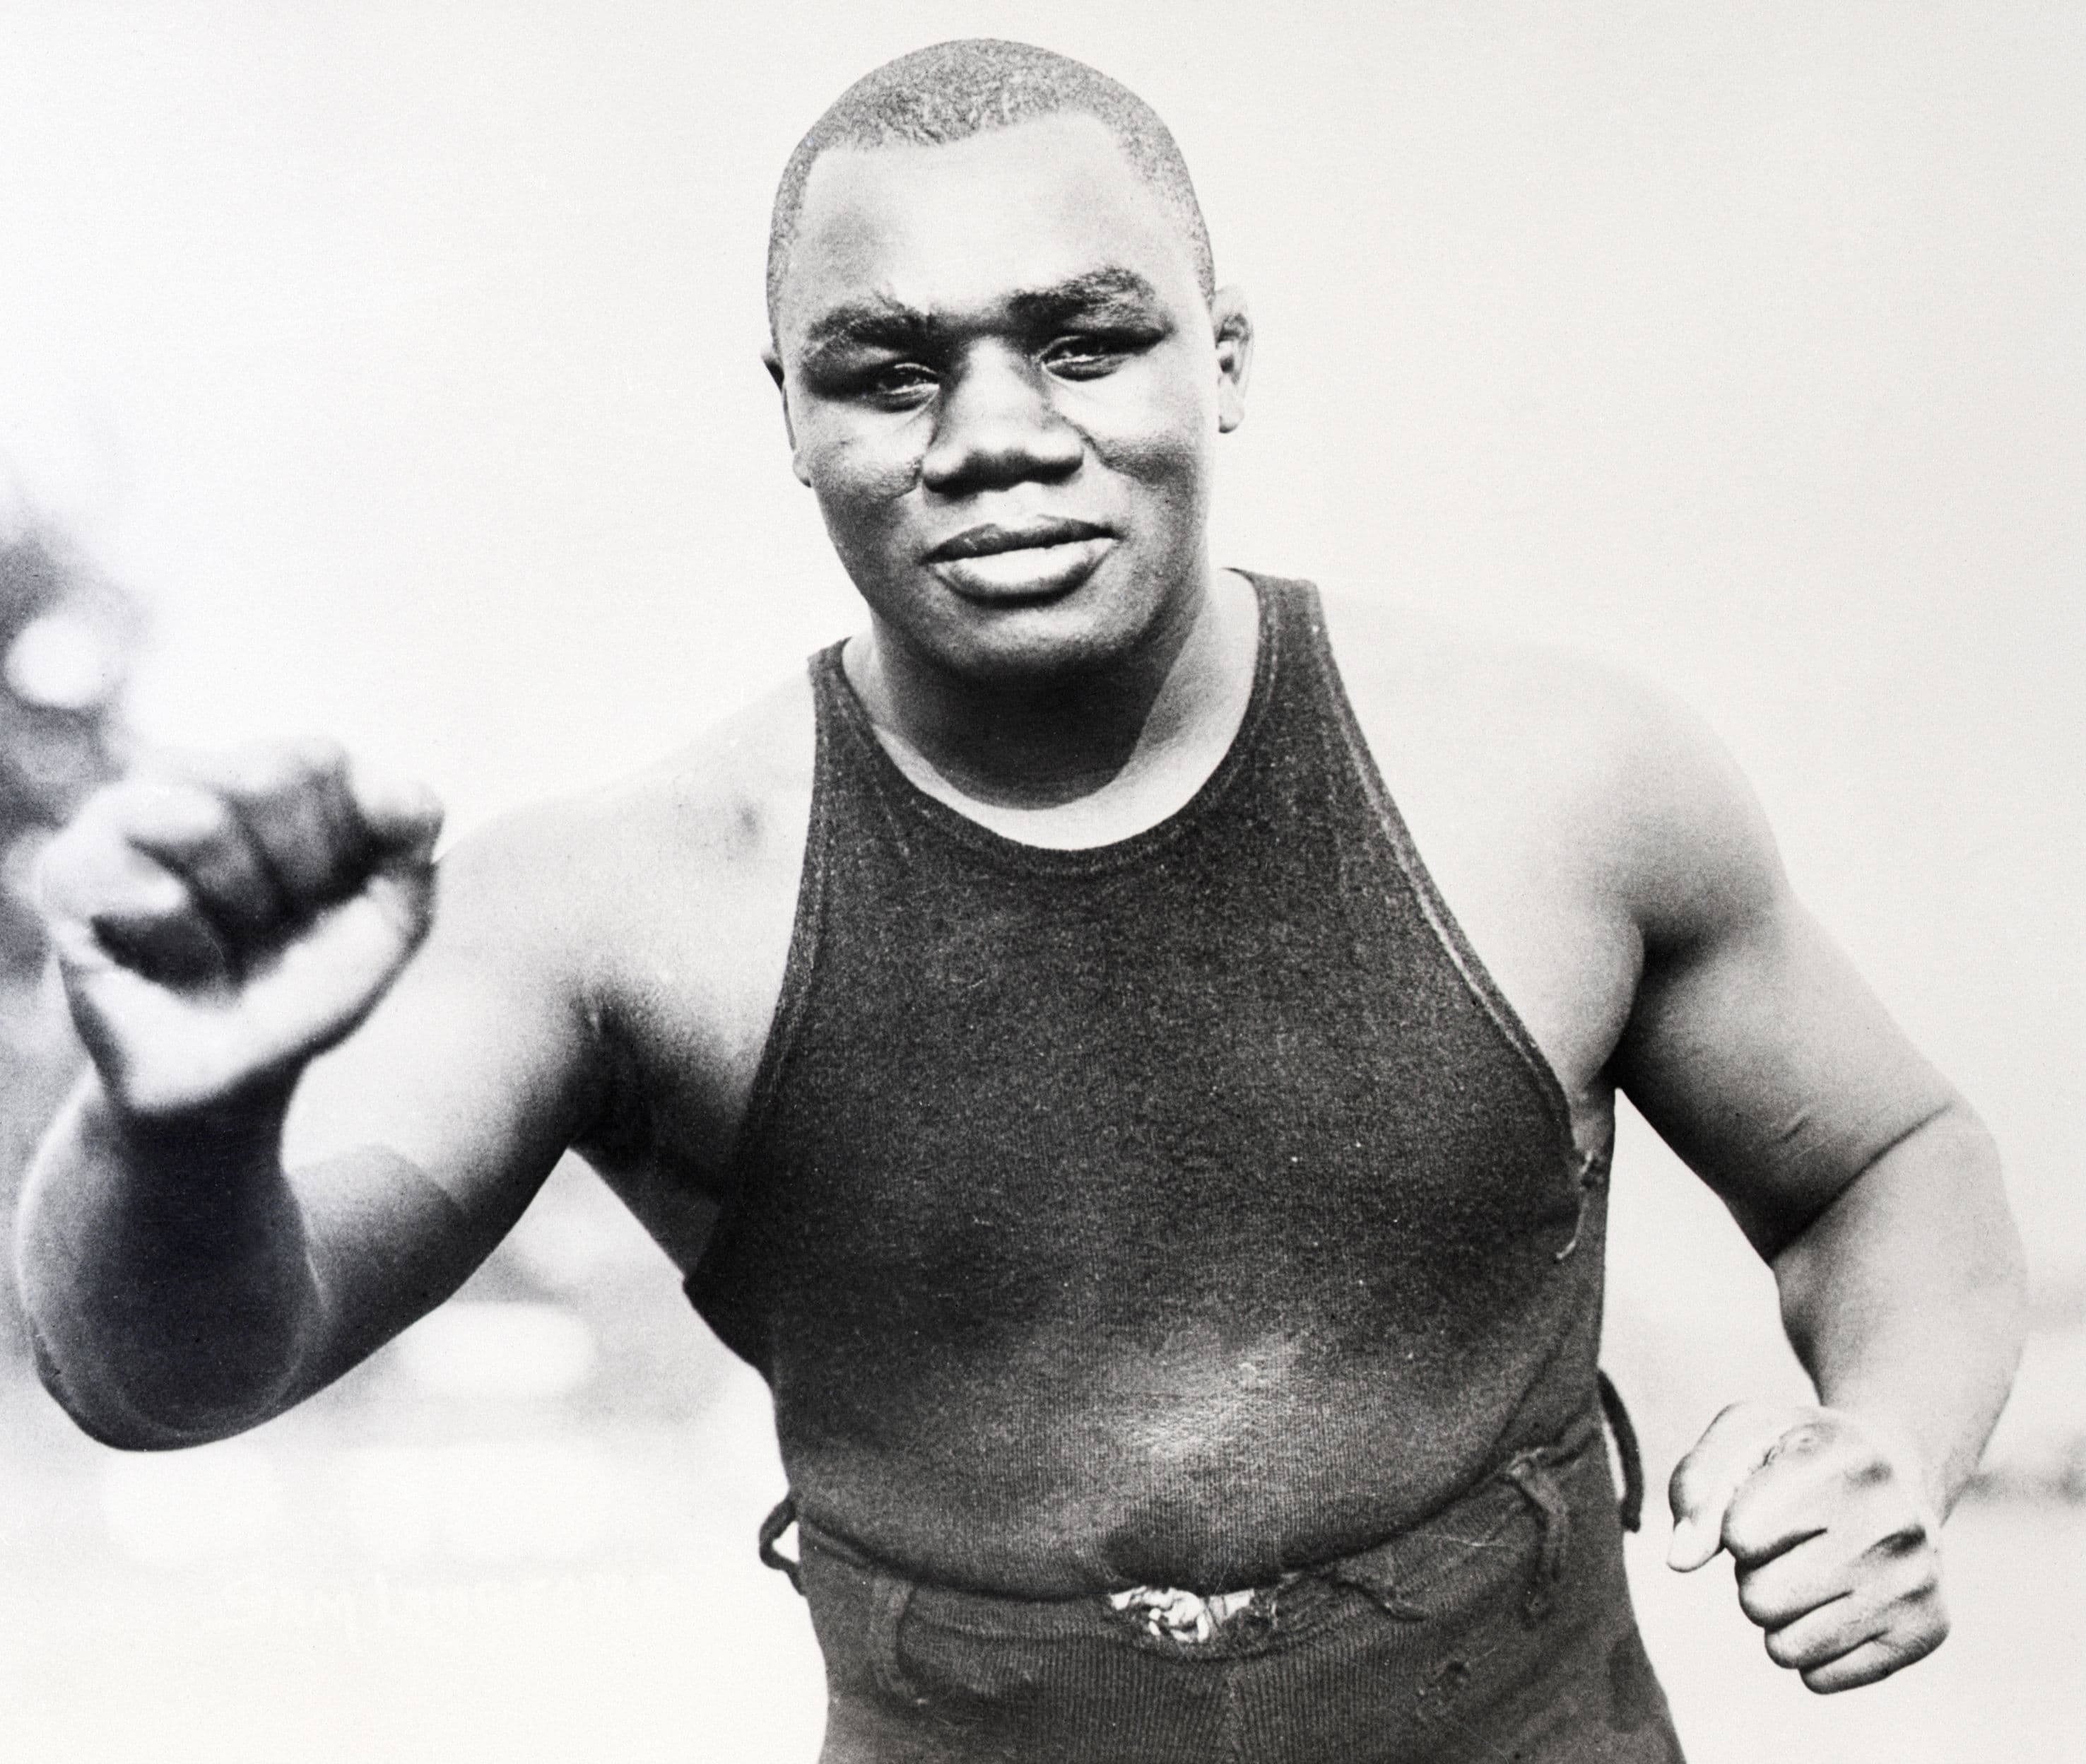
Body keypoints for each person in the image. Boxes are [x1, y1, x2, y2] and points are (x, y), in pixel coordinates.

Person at [13, 38, 2024, 1764]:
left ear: (1222, 360)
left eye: (1085, 338)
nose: (995, 439)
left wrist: (1895, 1444)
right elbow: (162, 1376)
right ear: (789, 410)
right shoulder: (638, 901)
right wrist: (176, 1126)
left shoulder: (1556, 782)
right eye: (890, 370)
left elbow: (1890, 1159)